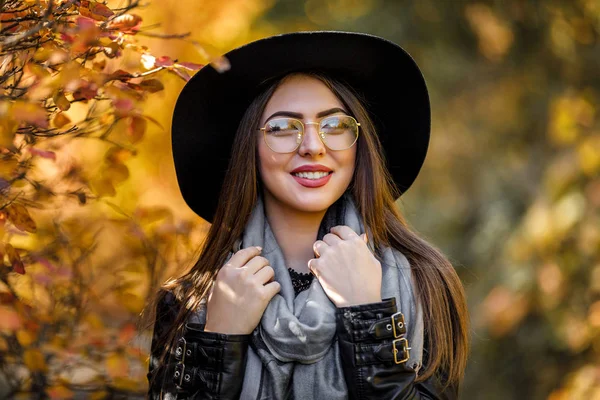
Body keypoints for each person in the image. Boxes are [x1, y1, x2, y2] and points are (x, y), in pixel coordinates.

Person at [146, 31, 470, 399]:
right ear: (246, 148)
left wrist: (367, 316)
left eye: (335, 125)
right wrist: (220, 339)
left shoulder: (425, 280)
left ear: (359, 145)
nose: (314, 147)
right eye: (284, 128)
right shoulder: (192, 299)